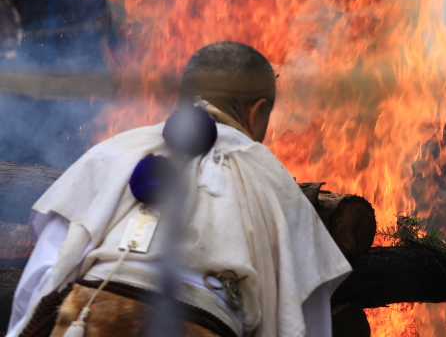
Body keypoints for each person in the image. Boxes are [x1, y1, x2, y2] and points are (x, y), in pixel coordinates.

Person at [7, 41, 351, 337]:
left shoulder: (112, 152)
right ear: (258, 112)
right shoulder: (276, 185)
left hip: (89, 318)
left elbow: (46, 273)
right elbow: (303, 319)